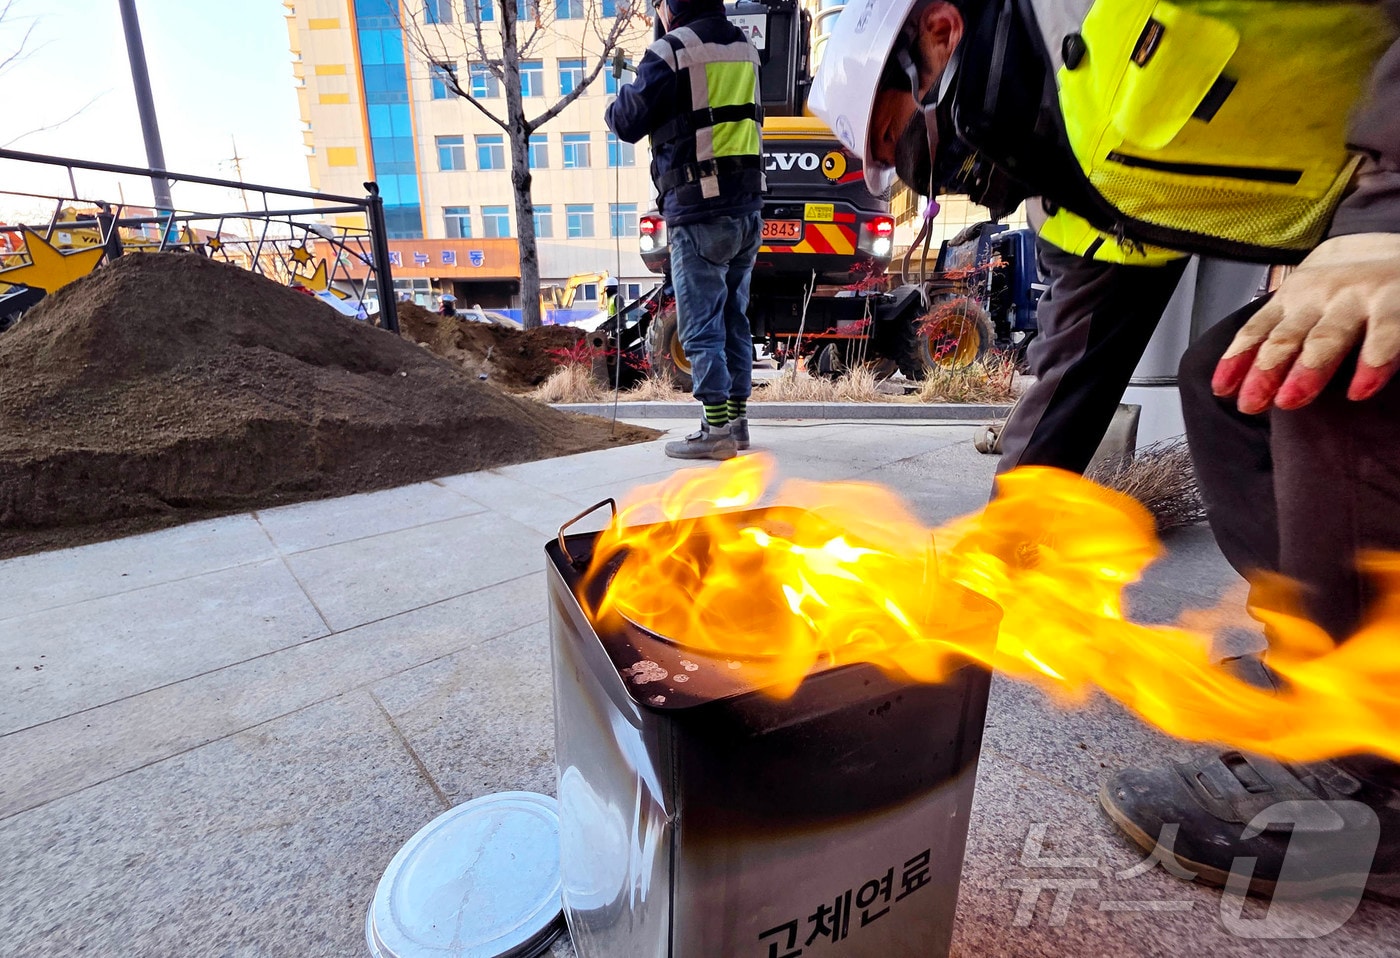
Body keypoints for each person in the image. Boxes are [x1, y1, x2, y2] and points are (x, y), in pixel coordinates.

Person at [812, 0, 1400, 897]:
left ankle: (1373, 775)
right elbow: (1074, 368)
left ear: (939, 31)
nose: (937, 181)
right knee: (1228, 376)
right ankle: (1329, 664)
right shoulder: (1079, 170)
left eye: (908, 143)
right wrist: (998, 551)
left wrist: (1385, 220)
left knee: (1321, 366)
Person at [605, 0, 764, 460]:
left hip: (699, 210)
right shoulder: (745, 48)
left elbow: (627, 121)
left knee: (699, 326)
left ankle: (714, 433)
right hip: (747, 208)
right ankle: (737, 425)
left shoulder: (671, 51)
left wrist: (620, 93)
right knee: (734, 317)